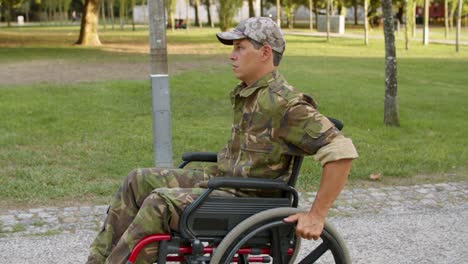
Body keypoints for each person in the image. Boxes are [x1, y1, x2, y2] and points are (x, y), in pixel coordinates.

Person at [86, 17, 358, 264]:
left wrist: (316, 215)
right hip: (226, 184)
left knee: (160, 202)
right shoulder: (251, 94)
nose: (232, 55)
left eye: (240, 48)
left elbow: (341, 150)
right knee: (137, 180)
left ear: (265, 52)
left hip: (247, 199)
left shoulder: (285, 104)